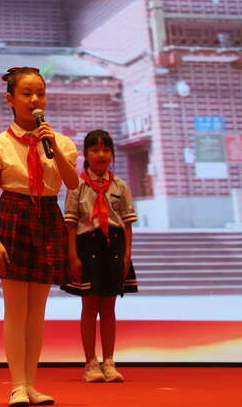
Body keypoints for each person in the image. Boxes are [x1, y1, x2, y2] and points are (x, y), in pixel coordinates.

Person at [0, 66, 79, 407]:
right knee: (15, 310)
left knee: (38, 312)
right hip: (13, 217)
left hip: (48, 215)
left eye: (40, 93)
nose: (35, 100)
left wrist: (51, 145)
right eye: (27, 93)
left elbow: (73, 183)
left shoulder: (59, 142)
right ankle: (17, 385)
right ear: (11, 99)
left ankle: (32, 384)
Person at [60, 130, 137, 383]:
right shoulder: (76, 185)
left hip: (113, 248)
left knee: (109, 308)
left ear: (112, 154)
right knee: (89, 307)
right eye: (94, 150)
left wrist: (127, 254)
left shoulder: (120, 186)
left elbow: (126, 225)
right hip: (86, 247)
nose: (100, 155)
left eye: (105, 150)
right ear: (86, 154)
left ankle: (109, 361)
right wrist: (72, 255)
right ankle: (90, 362)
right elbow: (71, 223)